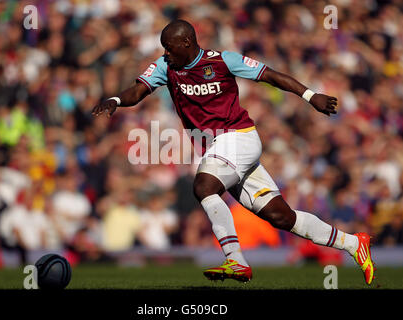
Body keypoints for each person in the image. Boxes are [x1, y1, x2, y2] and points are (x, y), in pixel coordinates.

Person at [92, 20, 375, 285]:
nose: (165, 52)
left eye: (170, 47)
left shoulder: (223, 60)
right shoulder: (165, 66)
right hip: (218, 148)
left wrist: (311, 96)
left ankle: (235, 260)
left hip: (239, 137)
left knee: (204, 186)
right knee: (281, 217)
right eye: (164, 47)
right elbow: (138, 91)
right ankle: (353, 243)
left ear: (187, 42)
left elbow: (271, 76)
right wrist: (116, 100)